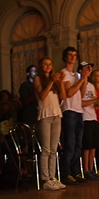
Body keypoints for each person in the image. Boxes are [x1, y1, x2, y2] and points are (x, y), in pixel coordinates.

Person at [33, 57, 66, 190]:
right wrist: (51, 82)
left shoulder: (55, 80)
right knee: (46, 149)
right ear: (41, 66)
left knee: (54, 149)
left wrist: (61, 82)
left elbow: (63, 97)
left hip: (56, 114)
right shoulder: (37, 79)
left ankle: (53, 177)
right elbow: (42, 96)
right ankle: (45, 179)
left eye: (50, 64)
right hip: (45, 115)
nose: (48, 66)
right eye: (45, 64)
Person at [60, 46, 92, 185]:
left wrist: (84, 78)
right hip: (69, 110)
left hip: (79, 110)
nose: (73, 57)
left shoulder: (76, 75)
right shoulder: (64, 73)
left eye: (75, 54)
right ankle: (66, 173)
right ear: (65, 57)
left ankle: (75, 171)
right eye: (70, 55)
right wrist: (82, 78)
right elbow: (69, 93)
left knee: (78, 144)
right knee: (70, 144)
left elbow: (82, 92)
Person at [80, 63, 99, 181]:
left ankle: (91, 169)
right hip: (85, 118)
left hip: (93, 117)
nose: (89, 71)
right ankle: (86, 170)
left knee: (94, 146)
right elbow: (81, 102)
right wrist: (95, 100)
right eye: (86, 69)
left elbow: (94, 104)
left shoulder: (91, 86)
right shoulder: (81, 84)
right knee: (87, 146)